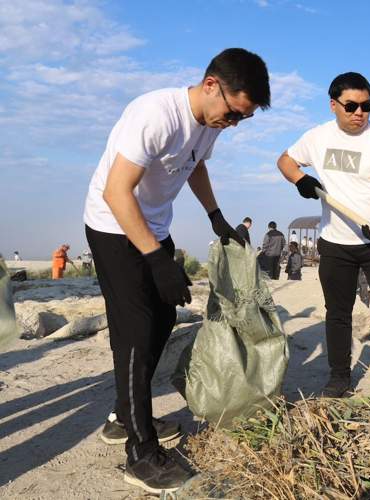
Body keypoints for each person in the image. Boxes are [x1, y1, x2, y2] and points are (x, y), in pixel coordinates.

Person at [82, 48, 270, 494]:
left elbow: (194, 165)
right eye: (232, 113)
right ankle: (140, 451)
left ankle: (123, 416)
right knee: (136, 329)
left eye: (242, 119)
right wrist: (154, 259)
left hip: (152, 227)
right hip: (113, 226)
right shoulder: (155, 114)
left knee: (165, 317)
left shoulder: (209, 123)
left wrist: (215, 215)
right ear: (210, 85)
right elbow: (116, 192)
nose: (233, 124)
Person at [277, 71, 370, 398]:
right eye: (351, 105)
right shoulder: (317, 137)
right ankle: (339, 378)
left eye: (366, 106)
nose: (359, 113)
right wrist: (300, 179)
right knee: (337, 313)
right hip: (336, 244)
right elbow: (285, 160)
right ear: (333, 105)